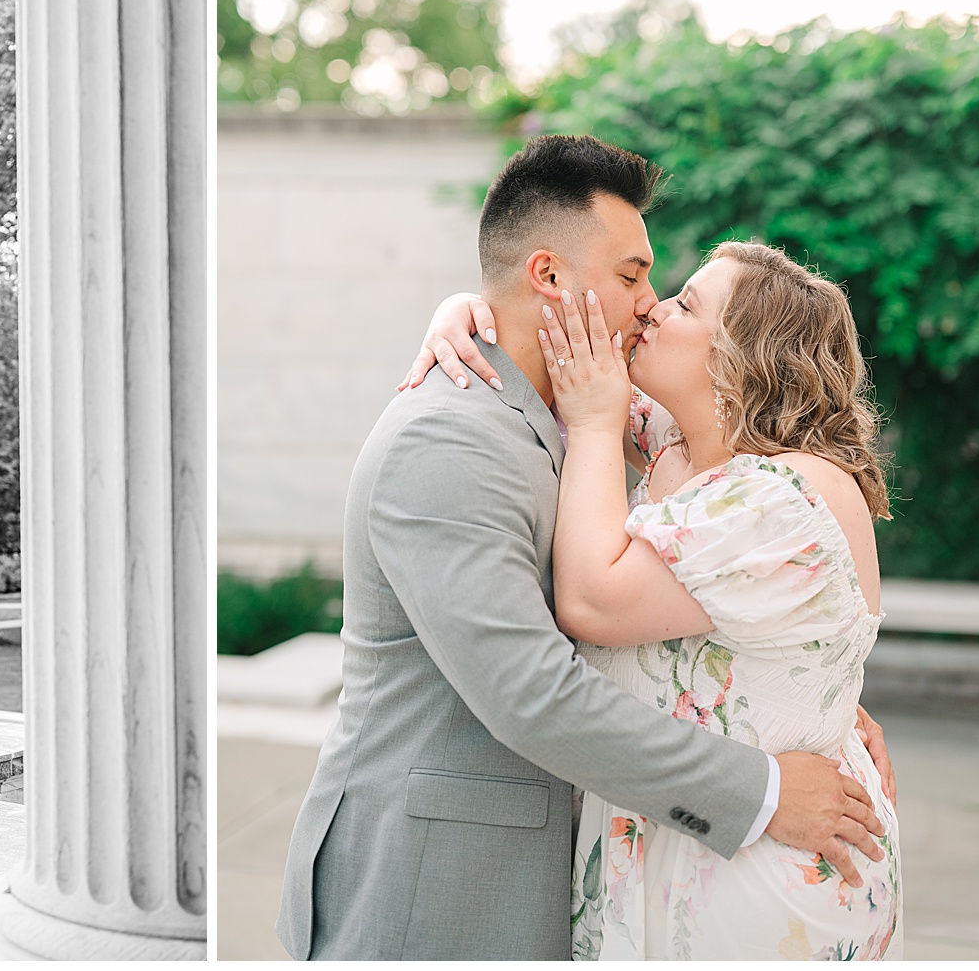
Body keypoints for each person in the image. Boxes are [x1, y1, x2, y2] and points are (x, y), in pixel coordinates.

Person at [274, 135, 891, 960]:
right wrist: (764, 785)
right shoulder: (454, 440)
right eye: (635, 277)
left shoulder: (581, 412)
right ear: (551, 277)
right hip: (438, 885)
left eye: (667, 292)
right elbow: (535, 693)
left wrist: (815, 695)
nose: (649, 303)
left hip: (619, 875)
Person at [415, 242, 901, 958]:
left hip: (761, 874)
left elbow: (592, 599)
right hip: (680, 836)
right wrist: (464, 311)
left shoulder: (789, 493)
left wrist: (591, 427)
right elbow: (565, 358)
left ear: (743, 356)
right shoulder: (684, 442)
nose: (652, 304)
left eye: (686, 303)